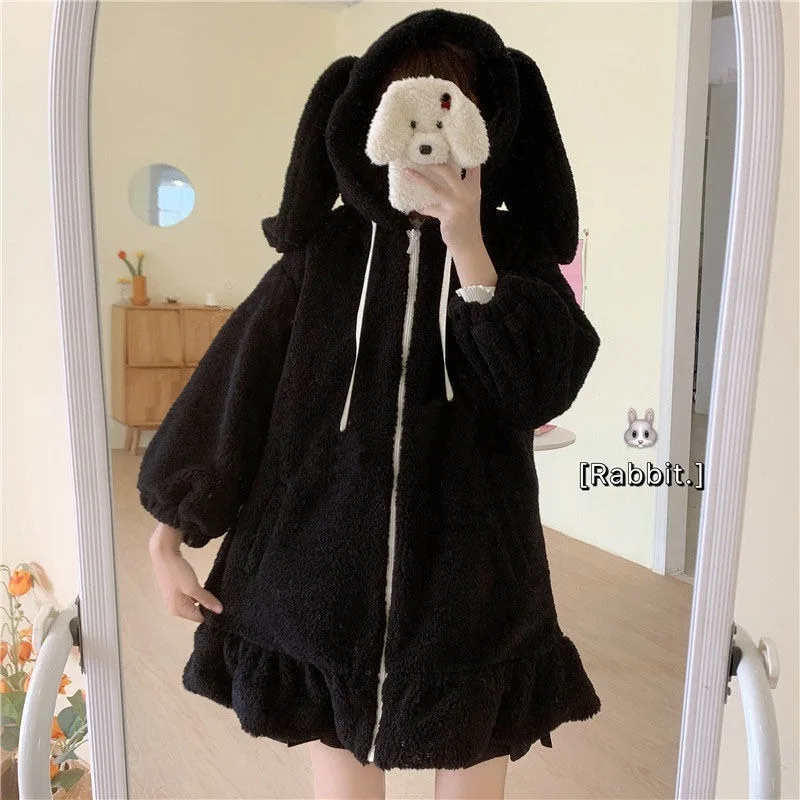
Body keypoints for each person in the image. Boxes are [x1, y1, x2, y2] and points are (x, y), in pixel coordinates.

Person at [141, 8, 602, 800]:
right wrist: (168, 532)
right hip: (322, 584)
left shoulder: (515, 259)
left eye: (450, 113)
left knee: (473, 774)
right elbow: (233, 387)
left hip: (474, 588)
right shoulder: (322, 257)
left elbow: (536, 388)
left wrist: (469, 246)